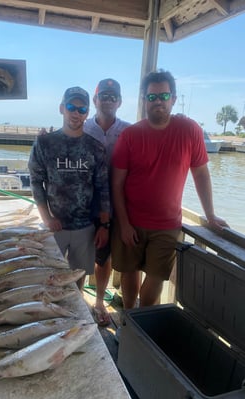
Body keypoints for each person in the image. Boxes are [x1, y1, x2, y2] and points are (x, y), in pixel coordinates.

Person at [111, 69, 229, 309]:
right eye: (152, 97)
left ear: (173, 99)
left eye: (163, 96)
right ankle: (128, 315)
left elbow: (201, 174)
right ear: (144, 100)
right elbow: (116, 183)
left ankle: (142, 321)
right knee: (129, 271)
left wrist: (210, 213)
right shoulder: (130, 135)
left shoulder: (190, 130)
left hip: (167, 224)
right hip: (131, 221)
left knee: (157, 276)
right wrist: (123, 224)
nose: (158, 102)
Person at [28, 86, 110, 290]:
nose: (76, 113)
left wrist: (104, 226)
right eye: (72, 107)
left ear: (87, 114)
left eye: (82, 109)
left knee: (77, 279)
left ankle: (77, 308)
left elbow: (103, 189)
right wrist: (47, 217)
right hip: (55, 226)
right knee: (49, 278)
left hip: (85, 227)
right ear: (61, 108)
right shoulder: (44, 143)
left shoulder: (96, 147)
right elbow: (36, 182)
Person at [84, 78, 137, 326]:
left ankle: (129, 312)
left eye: (113, 96)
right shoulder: (81, 128)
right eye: (103, 95)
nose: (108, 100)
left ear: (120, 102)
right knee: (98, 258)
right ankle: (96, 303)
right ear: (95, 100)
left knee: (126, 260)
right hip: (89, 206)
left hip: (123, 206)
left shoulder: (130, 131)